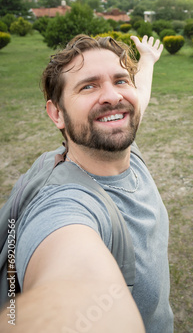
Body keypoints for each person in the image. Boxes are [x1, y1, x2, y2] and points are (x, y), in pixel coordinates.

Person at [0, 34, 173, 333]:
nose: (113, 97)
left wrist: (147, 59)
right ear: (57, 114)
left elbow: (139, 93)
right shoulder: (66, 205)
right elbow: (71, 277)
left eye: (120, 81)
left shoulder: (122, 142)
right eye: (88, 86)